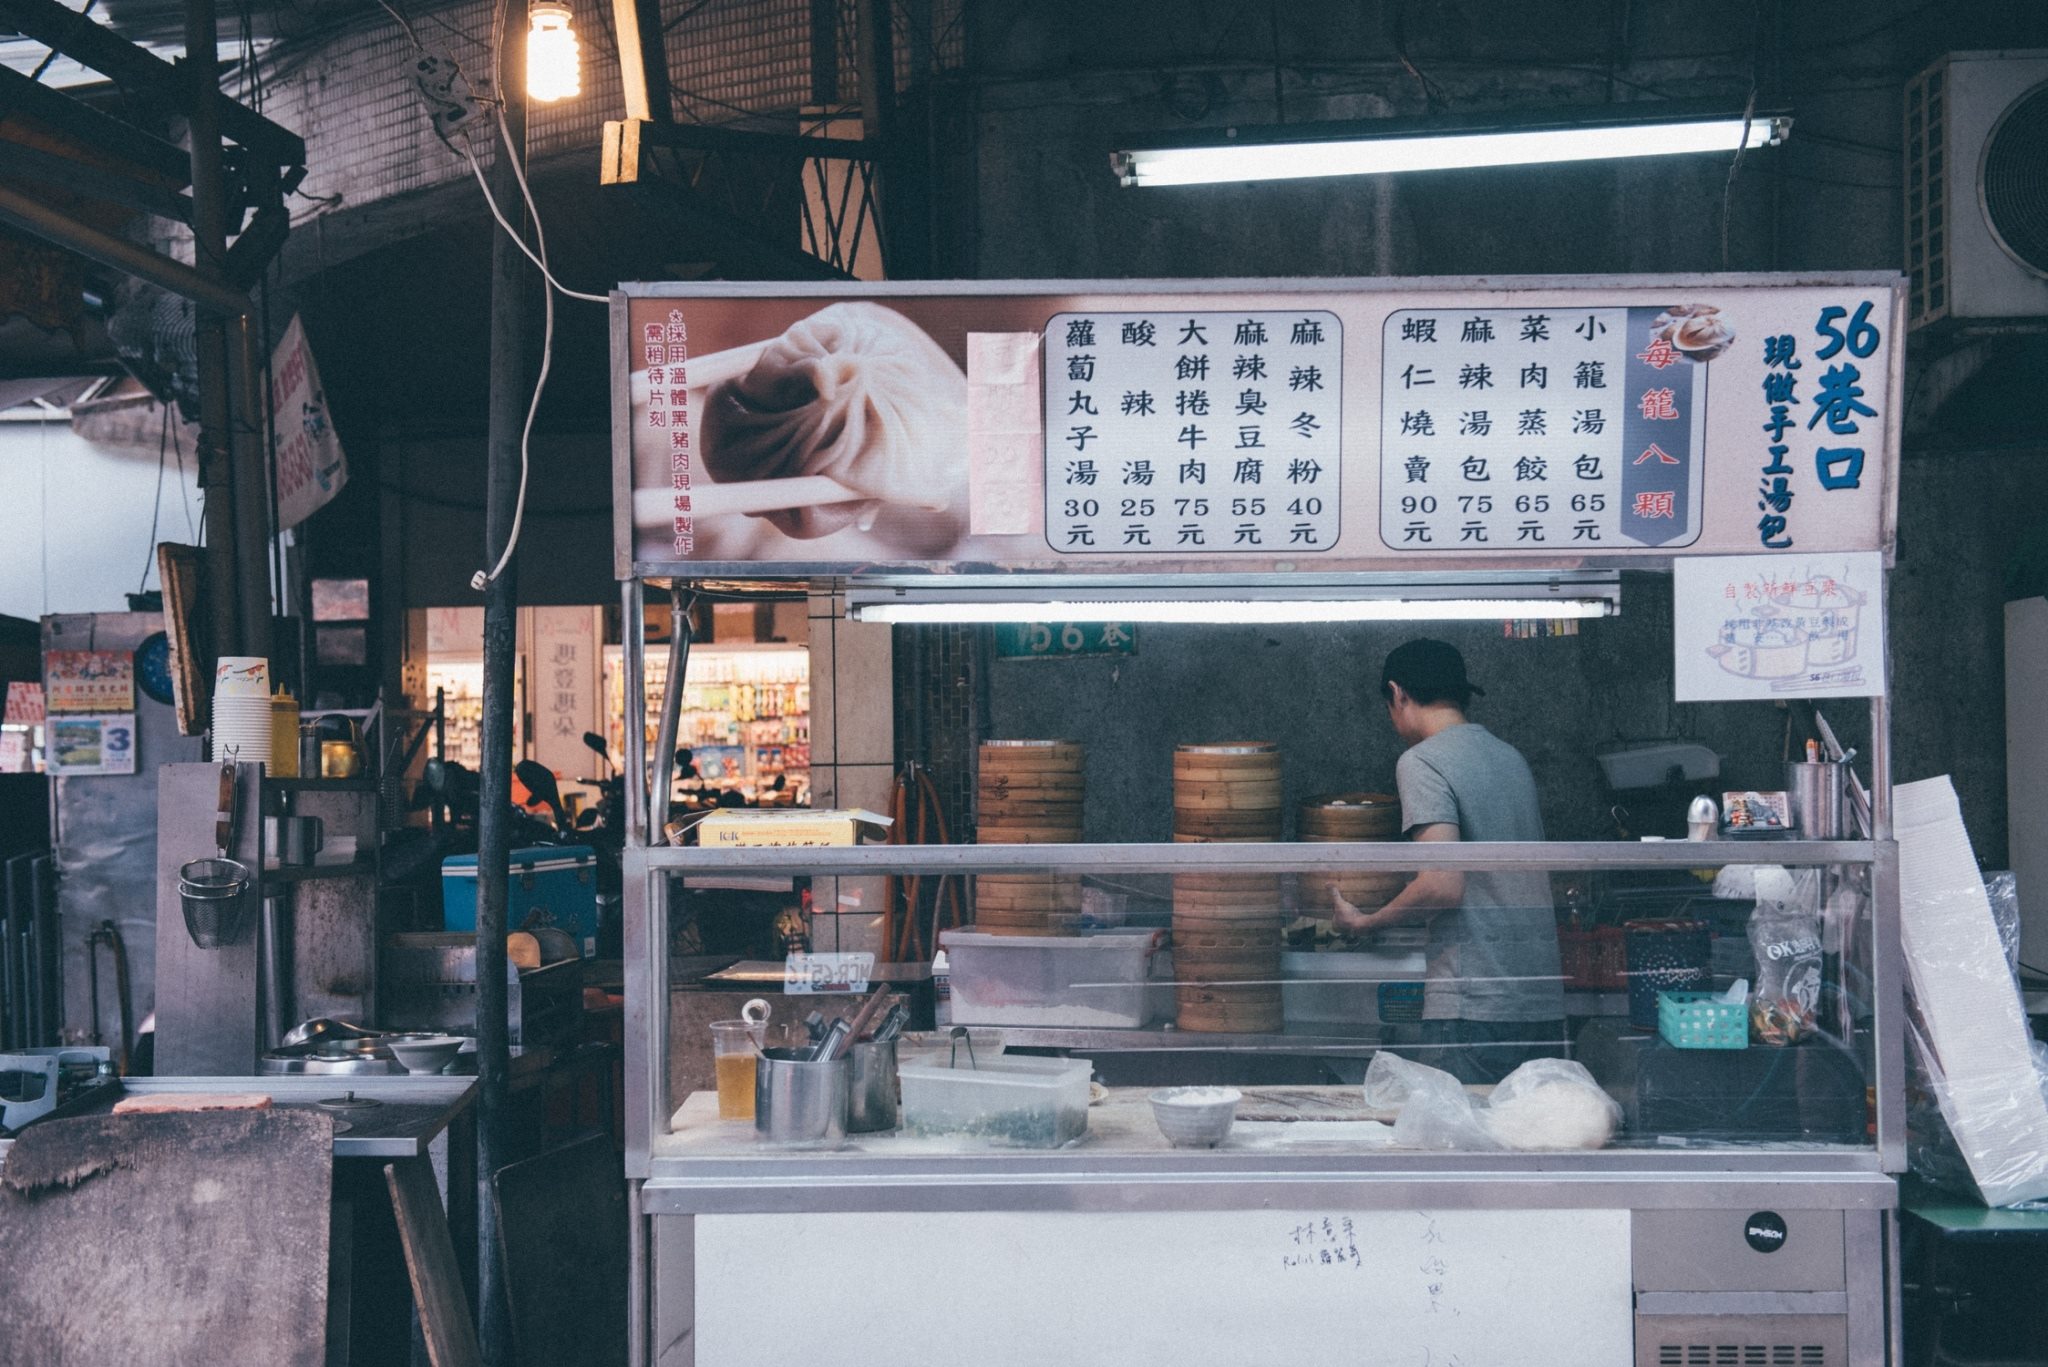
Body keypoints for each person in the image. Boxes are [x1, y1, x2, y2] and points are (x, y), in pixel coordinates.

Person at [1329, 639, 1566, 1084]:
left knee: (1458, 1144)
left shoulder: (1422, 761)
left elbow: (1442, 883)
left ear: (1398, 694)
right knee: (1528, 1144)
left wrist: (1367, 922)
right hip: (1540, 1001)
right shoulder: (1508, 757)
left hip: (1475, 1005)